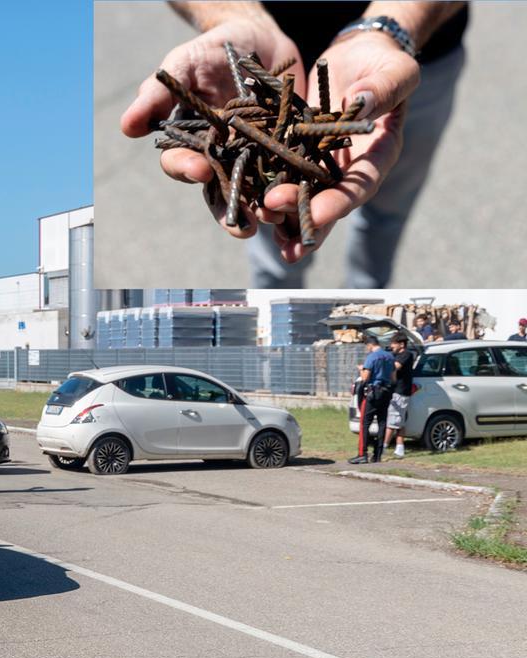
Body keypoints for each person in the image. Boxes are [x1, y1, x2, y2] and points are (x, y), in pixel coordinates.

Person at [120, 2, 469, 288]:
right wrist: (234, 15)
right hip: (262, 67)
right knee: (274, 218)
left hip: (403, 59)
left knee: (386, 212)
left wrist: (390, 29)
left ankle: (366, 294)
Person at [350, 335, 394, 464]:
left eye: (367, 347)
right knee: (382, 423)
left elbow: (365, 377)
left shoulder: (372, 357)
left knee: (365, 423)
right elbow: (393, 377)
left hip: (373, 392)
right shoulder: (390, 357)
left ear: (369, 345)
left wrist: (361, 370)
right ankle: (378, 454)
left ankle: (362, 454)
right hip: (386, 392)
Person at [384, 333, 414, 458]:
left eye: (394, 343)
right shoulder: (396, 355)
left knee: (393, 421)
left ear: (402, 344)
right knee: (399, 421)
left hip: (400, 392)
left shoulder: (406, 354)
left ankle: (383, 446)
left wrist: (384, 358)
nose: (391, 346)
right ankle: (400, 448)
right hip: (398, 391)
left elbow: (395, 367)